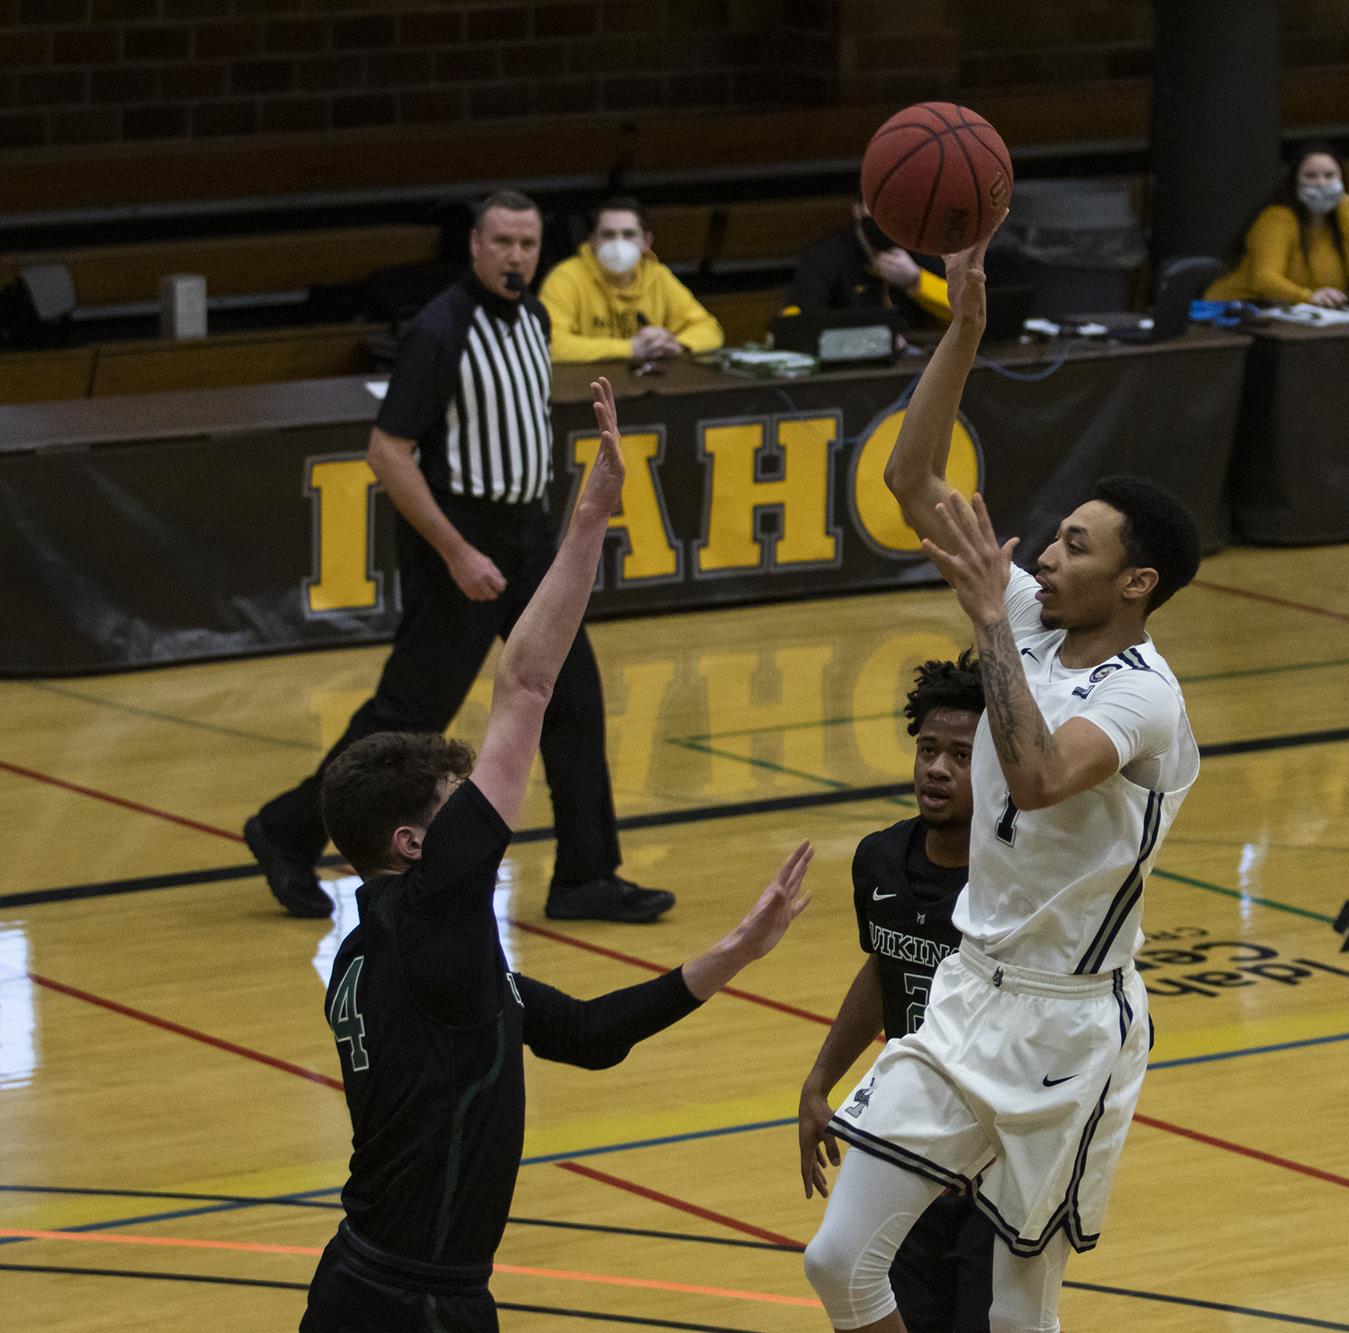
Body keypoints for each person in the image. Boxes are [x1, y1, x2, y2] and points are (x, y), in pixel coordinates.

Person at [300, 377, 815, 1332]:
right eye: (456, 815)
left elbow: (589, 1036)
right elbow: (527, 685)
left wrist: (737, 952)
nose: (488, 822)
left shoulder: (410, 953)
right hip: (408, 1301)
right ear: (414, 844)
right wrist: (589, 521)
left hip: (387, 1286)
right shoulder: (435, 918)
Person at [801, 222, 1203, 1333]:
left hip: (1072, 1030)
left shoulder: (1143, 696)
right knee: (840, 1261)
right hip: (970, 994)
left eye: (1075, 545)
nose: (1045, 558)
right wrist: (961, 325)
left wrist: (986, 613)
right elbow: (909, 476)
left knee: (1018, 1313)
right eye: (1054, 540)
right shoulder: (1025, 622)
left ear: (1136, 581)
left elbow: (1033, 778)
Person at [245, 190, 673, 925]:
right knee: (405, 717)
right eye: (502, 242)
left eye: (528, 244)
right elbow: (388, 451)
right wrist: (458, 550)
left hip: (529, 538)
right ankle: (285, 831)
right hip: (464, 544)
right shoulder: (440, 330)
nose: (516, 257)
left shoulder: (536, 318)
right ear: (475, 244)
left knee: (574, 701)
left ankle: (583, 876)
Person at [798, 651, 997, 1332]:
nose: (937, 768)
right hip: (907, 1140)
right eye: (928, 749)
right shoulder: (880, 858)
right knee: (868, 1289)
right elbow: (882, 969)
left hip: (992, 1164)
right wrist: (821, 1078)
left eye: (963, 755)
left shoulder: (1017, 885)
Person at [539, 196, 724, 363]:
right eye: (608, 235)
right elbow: (551, 345)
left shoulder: (658, 276)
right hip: (587, 388)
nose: (618, 243)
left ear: (646, 242)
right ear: (593, 241)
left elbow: (710, 329)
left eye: (628, 234)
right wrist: (632, 349)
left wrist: (676, 345)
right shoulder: (566, 277)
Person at [1205, 141, 1349, 308]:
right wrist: (1308, 297)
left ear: (1342, 179)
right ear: (1294, 181)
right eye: (1310, 176)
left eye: (1329, 175)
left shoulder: (1348, 216)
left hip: (1301, 314)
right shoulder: (1277, 218)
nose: (1321, 183)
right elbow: (1265, 280)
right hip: (1235, 311)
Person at [778, 201, 953, 328]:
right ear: (857, 209)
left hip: (918, 359)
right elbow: (795, 318)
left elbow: (963, 310)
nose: (886, 218)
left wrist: (916, 280)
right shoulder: (827, 254)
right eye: (876, 207)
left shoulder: (918, 246)